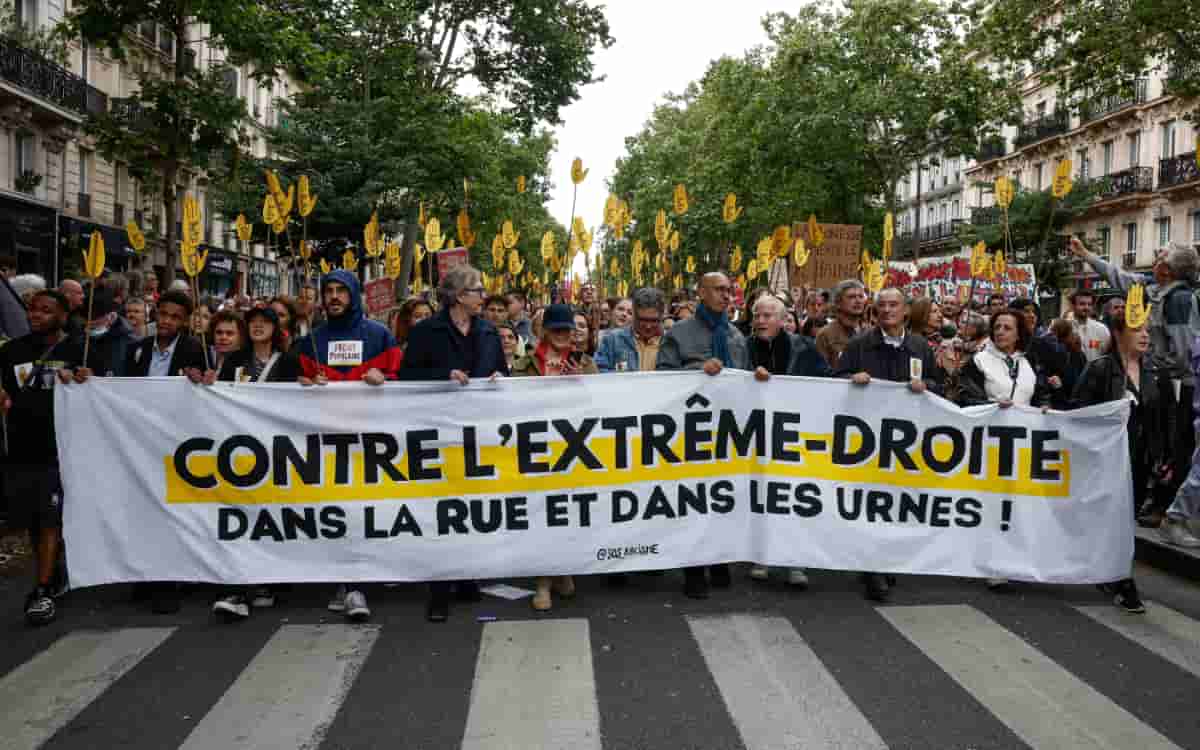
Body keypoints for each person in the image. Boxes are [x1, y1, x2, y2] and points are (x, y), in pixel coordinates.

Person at [400, 264, 508, 622]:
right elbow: (407, 376)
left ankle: (466, 576)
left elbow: (503, 373)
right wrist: (443, 376)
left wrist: (496, 378)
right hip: (438, 433)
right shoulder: (427, 332)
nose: (484, 295)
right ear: (460, 296)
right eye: (478, 289)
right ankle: (439, 589)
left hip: (479, 433)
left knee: (472, 506)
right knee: (442, 510)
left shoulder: (489, 332)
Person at [292, 270, 400, 622]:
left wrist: (387, 380)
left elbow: (406, 382)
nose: (334, 297)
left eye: (341, 291)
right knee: (335, 511)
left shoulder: (380, 336)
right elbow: (290, 386)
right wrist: (304, 384)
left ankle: (358, 582)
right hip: (325, 441)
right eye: (329, 291)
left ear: (354, 295)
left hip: (371, 441)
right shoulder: (310, 341)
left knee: (363, 510)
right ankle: (345, 579)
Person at [1071, 237, 1200, 527]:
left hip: (1178, 386)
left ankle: (1165, 506)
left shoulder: (1179, 299)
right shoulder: (1151, 288)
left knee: (1174, 445)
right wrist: (1087, 255)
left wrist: (1155, 370)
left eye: (1161, 256)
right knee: (1154, 441)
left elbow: (1183, 352)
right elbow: (1118, 276)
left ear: (1168, 269)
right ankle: (1154, 499)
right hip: (1158, 378)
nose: (1156, 257)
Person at [835, 288, 941, 602]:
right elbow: (834, 379)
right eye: (881, 306)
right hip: (869, 438)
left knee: (896, 500)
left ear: (906, 311)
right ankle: (873, 568)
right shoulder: (859, 344)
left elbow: (939, 385)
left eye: (893, 305)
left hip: (906, 439)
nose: (887, 310)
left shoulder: (920, 346)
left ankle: (887, 557)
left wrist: (928, 385)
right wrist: (852, 378)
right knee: (872, 501)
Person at [1072, 303, 1174, 613]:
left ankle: (1110, 570)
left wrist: (1167, 458)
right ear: (1118, 334)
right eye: (1137, 330)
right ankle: (1123, 580)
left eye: (1147, 329)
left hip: (1143, 461)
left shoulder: (1157, 371)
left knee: (1124, 519)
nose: (1145, 335)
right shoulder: (1101, 369)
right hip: (1108, 461)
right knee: (1114, 519)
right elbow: (1078, 413)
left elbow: (1168, 418)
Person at [657, 271, 749, 599]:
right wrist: (697, 371)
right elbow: (661, 377)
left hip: (727, 430)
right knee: (693, 499)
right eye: (719, 290)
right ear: (701, 293)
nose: (726, 296)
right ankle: (693, 568)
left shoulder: (737, 336)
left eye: (729, 290)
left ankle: (719, 558)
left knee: (723, 496)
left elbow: (744, 379)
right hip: (690, 430)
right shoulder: (679, 334)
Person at [206, 306, 302, 620]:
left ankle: (269, 583)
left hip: (277, 450)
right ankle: (238, 590)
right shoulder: (233, 360)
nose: (259, 328)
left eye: (265, 323)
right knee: (243, 515)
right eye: (254, 324)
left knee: (272, 516)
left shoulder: (288, 361)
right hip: (242, 451)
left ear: (276, 329)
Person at [0, 290, 84, 625]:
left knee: (50, 518)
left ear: (63, 316)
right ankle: (55, 569)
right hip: (21, 449)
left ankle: (42, 589)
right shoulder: (12, 350)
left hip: (60, 448)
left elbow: (100, 386)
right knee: (35, 520)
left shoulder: (78, 348)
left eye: (46, 310)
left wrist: (83, 378)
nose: (36, 315)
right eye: (32, 310)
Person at [510, 304, 598, 610]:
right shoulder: (524, 365)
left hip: (574, 452)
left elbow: (602, 408)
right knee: (542, 514)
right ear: (544, 331)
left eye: (568, 329)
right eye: (557, 329)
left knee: (570, 515)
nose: (563, 335)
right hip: (539, 451)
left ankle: (563, 570)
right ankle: (543, 581)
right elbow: (512, 407)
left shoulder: (586, 364)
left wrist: (581, 386)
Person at [745, 294, 831, 588]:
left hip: (796, 434)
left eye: (768, 316)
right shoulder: (744, 348)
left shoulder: (804, 348)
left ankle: (796, 561)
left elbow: (824, 382)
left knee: (795, 496)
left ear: (784, 321)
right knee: (762, 495)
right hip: (757, 433)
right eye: (757, 315)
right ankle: (762, 556)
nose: (760, 321)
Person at [595, 288, 665, 373]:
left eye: (653, 320)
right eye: (642, 320)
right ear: (634, 315)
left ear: (662, 316)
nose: (648, 326)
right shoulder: (612, 340)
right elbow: (599, 373)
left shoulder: (671, 342)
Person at [83, 286, 138, 377]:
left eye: (96, 318)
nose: (91, 324)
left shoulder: (132, 342)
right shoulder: (78, 339)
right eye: (88, 319)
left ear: (111, 316)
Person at [816, 279, 867, 370]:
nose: (858, 301)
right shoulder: (825, 334)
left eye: (861, 296)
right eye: (851, 297)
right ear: (838, 303)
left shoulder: (870, 332)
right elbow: (821, 372)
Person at [1070, 290, 1110, 362]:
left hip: (1096, 372)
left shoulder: (1101, 329)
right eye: (1082, 304)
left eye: (1089, 304)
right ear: (1073, 306)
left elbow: (1107, 354)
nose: (1086, 307)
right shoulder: (1065, 327)